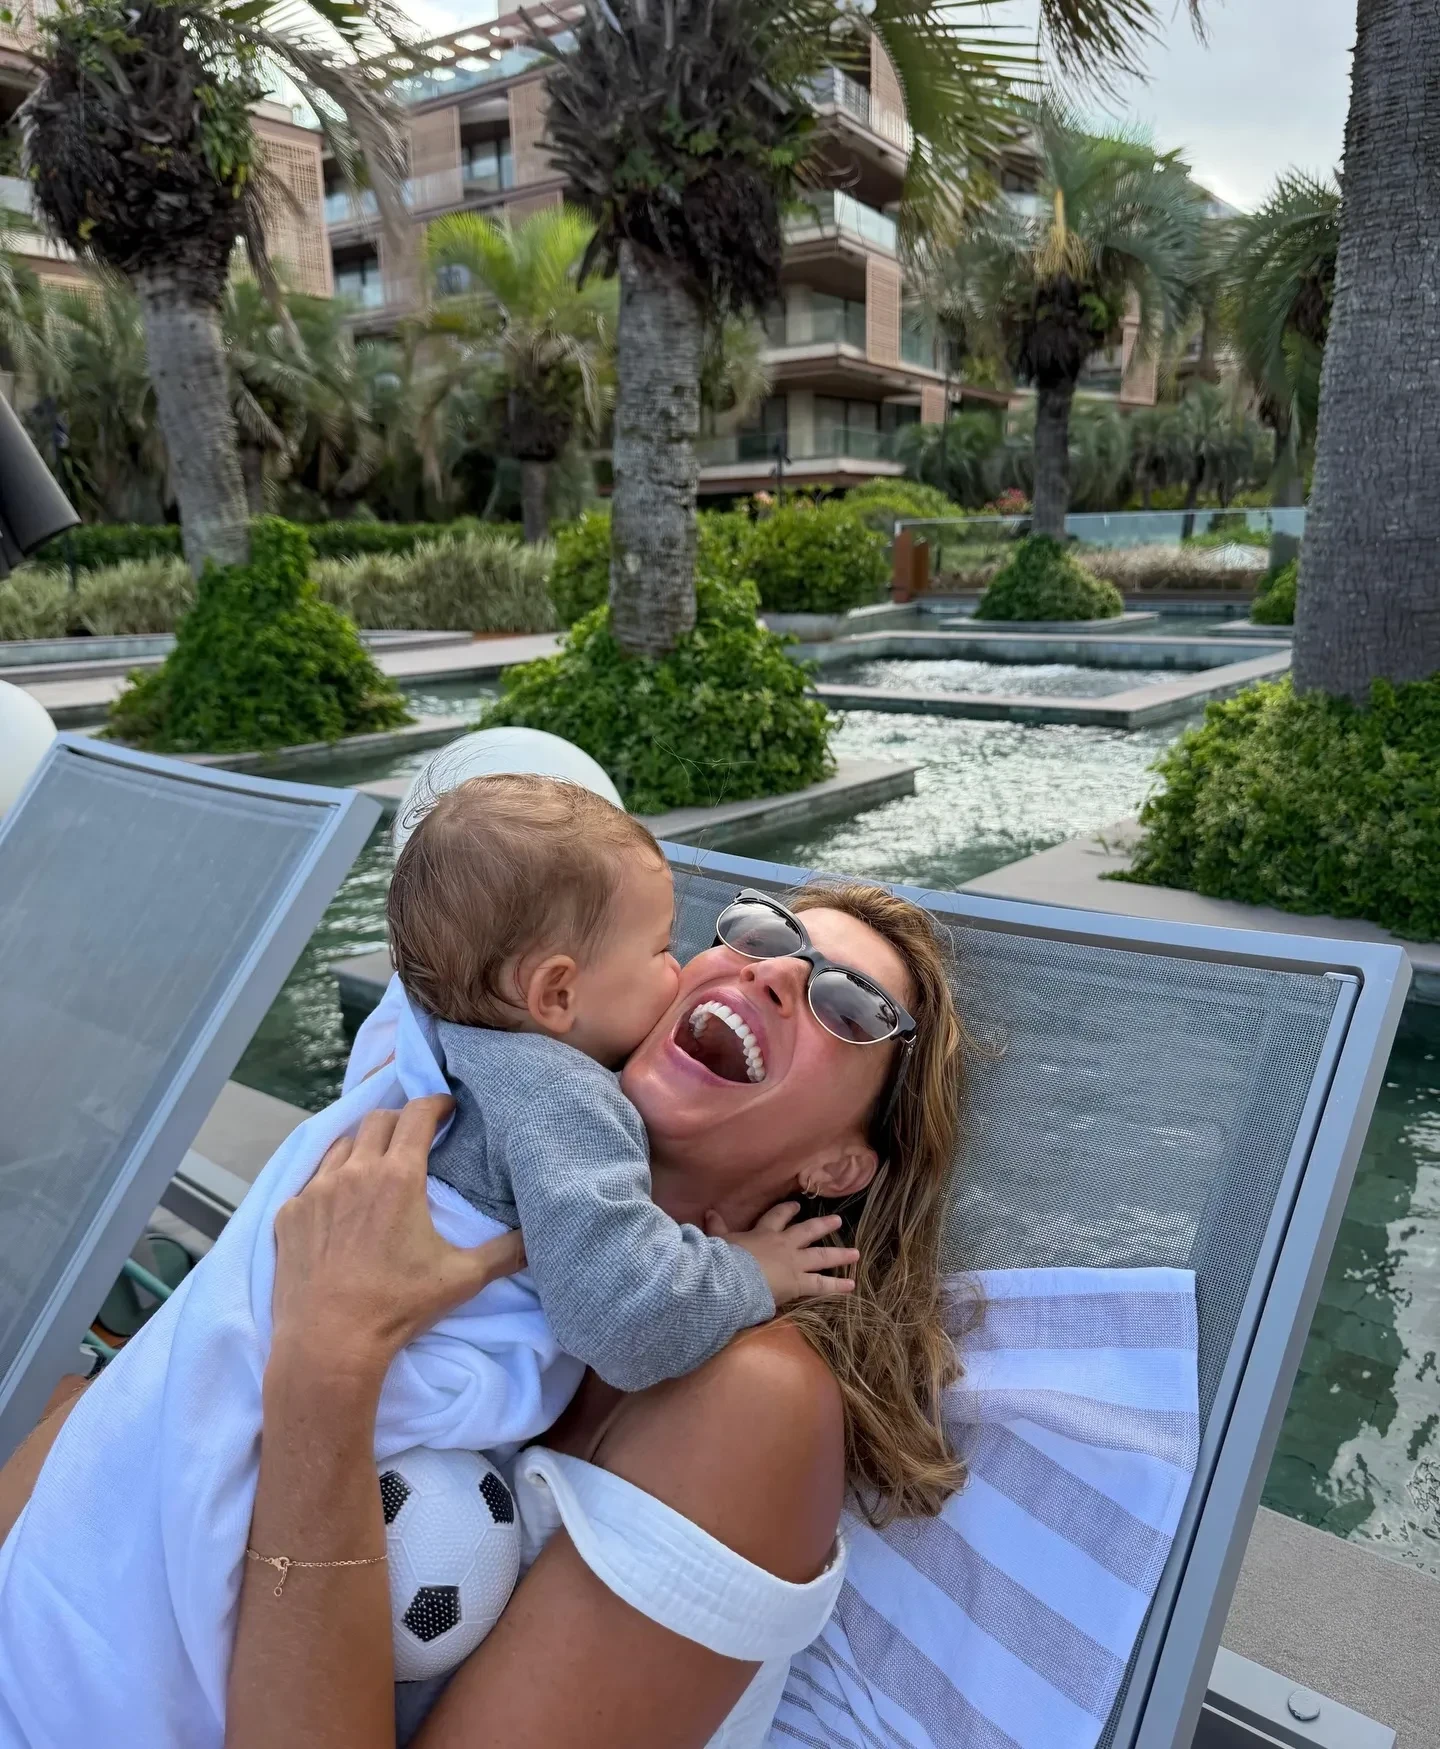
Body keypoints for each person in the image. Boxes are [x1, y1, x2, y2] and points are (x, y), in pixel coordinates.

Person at [0, 880, 969, 1749]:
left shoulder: (751, 1396)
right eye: (760, 932)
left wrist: (329, 1358)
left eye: (852, 1006)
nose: (775, 973)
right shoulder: (465, 1186)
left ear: (838, 1166)